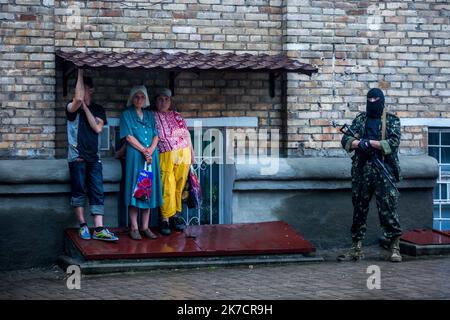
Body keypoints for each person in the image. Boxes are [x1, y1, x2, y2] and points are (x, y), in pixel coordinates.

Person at [337, 88, 402, 262]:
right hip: (362, 170)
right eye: (369, 99)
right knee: (359, 209)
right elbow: (346, 140)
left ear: (381, 100)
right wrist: (359, 143)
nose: (372, 102)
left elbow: (393, 143)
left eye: (376, 99)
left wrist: (370, 143)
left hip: (383, 170)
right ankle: (356, 248)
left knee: (388, 209)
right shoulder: (361, 119)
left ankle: (395, 247)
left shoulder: (391, 120)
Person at [66, 69, 118, 241]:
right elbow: (78, 99)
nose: (80, 93)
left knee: (97, 191)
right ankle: (82, 226)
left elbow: (97, 128)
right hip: (77, 158)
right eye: (77, 89)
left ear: (91, 91)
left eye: (83, 89)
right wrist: (79, 72)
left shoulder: (98, 109)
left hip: (94, 158)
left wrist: (86, 108)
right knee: (79, 192)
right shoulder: (71, 108)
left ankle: (99, 228)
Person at [120, 85, 163, 240]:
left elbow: (156, 135)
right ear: (132, 98)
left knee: (148, 190)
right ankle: (134, 227)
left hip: (151, 157)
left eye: (142, 97)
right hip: (136, 157)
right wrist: (144, 151)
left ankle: (145, 227)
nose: (139, 99)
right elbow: (128, 137)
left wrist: (150, 150)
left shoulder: (150, 115)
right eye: (136, 97)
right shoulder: (126, 115)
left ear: (145, 99)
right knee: (135, 190)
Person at [153, 88, 195, 235]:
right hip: (165, 154)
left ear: (170, 101)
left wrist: (193, 155)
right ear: (155, 101)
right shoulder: (152, 116)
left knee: (179, 186)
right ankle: (164, 218)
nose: (163, 102)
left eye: (166, 99)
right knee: (167, 185)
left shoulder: (177, 115)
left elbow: (187, 135)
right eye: (160, 99)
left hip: (183, 154)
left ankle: (175, 217)